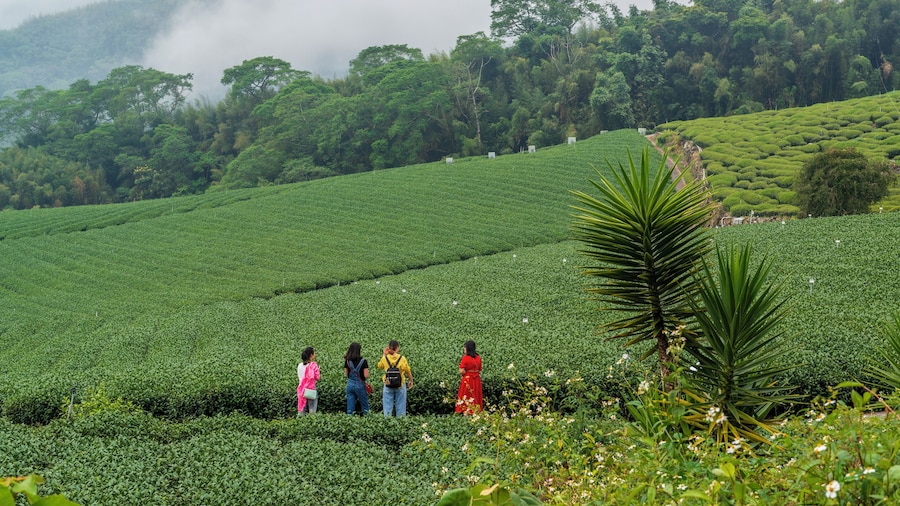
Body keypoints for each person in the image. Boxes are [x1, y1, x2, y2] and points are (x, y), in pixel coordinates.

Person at [377, 340, 413, 417]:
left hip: (388, 384)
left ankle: (387, 423)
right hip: (400, 384)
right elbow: (407, 370)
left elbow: (379, 366)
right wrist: (411, 380)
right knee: (401, 407)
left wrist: (384, 354)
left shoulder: (385, 358)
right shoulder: (402, 358)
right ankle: (400, 423)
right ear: (397, 348)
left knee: (387, 407)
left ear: (388, 348)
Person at [455, 340, 483, 414]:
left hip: (468, 379)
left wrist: (466, 373)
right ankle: (475, 411)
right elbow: (479, 369)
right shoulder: (478, 358)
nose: (464, 349)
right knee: (476, 394)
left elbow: (462, 371)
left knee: (465, 394)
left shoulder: (465, 358)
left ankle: (464, 410)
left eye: (465, 347)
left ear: (468, 348)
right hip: (476, 379)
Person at [344, 342, 370, 415]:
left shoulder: (347, 361)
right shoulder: (363, 361)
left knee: (350, 408)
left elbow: (346, 373)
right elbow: (366, 375)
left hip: (350, 384)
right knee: (365, 407)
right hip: (360, 385)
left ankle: (349, 421)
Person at [297, 347, 320, 415]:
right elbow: (318, 378)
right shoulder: (313, 365)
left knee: (302, 410)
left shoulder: (299, 365)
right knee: (312, 410)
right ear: (311, 355)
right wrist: (318, 370)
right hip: (311, 390)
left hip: (301, 390)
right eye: (314, 353)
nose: (315, 355)